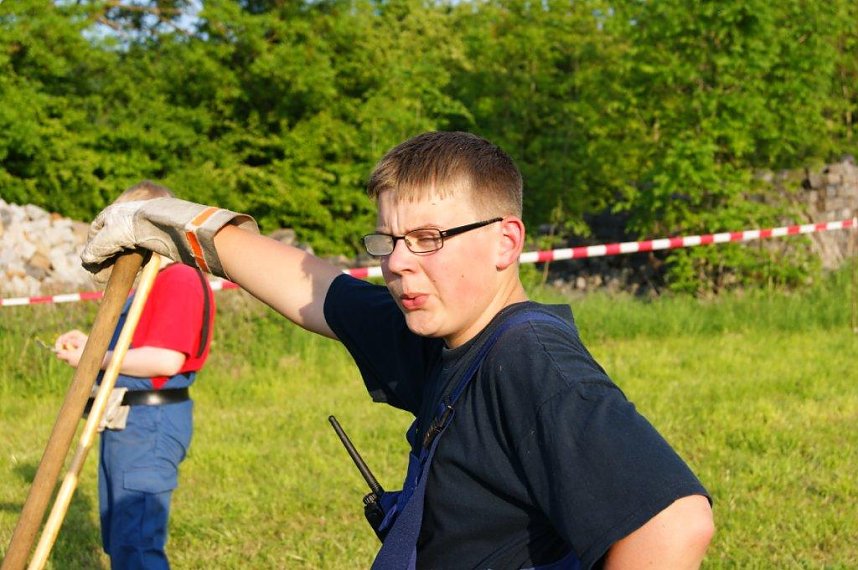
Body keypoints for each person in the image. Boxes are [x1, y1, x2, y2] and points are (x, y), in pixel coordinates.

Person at [80, 132, 714, 569]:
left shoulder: (528, 357)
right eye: (388, 242)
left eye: (428, 238)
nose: (398, 264)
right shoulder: (445, 337)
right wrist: (168, 223)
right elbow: (321, 288)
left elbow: (674, 523)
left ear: (504, 241)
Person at [55, 181, 216, 570]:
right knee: (121, 540)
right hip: (124, 422)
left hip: (149, 424)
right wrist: (90, 343)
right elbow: (131, 345)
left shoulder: (177, 277)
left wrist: (95, 359)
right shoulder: (146, 283)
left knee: (137, 545)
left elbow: (164, 360)